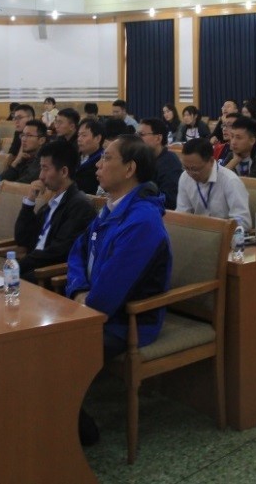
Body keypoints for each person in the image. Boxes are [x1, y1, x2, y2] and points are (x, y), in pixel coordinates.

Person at [66, 134, 171, 356]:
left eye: (106, 158)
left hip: (125, 323)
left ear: (129, 169)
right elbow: (78, 251)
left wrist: (86, 302)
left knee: (49, 345)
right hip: (91, 306)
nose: (98, 164)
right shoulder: (112, 208)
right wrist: (78, 289)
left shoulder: (143, 221)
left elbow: (111, 289)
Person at [12, 139, 97, 281]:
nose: (40, 176)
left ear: (63, 171)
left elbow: (56, 253)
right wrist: (30, 201)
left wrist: (16, 268)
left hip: (49, 277)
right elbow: (22, 239)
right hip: (32, 269)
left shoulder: (80, 207)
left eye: (45, 169)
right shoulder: (51, 203)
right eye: (41, 168)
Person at [176, 138, 251, 227]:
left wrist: (217, 229)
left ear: (211, 161)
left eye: (195, 169)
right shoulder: (185, 177)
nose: (191, 174)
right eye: (186, 168)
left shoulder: (230, 181)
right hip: (196, 232)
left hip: (224, 233)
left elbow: (243, 221)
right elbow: (181, 214)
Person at [136, 118, 184, 210]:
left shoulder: (170, 162)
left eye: (141, 135)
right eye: (137, 134)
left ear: (158, 138)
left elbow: (170, 201)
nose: (137, 138)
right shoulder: (141, 158)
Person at [75, 117, 105, 195]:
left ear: (98, 138)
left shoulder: (102, 161)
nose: (79, 139)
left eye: (84, 135)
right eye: (78, 135)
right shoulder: (74, 157)